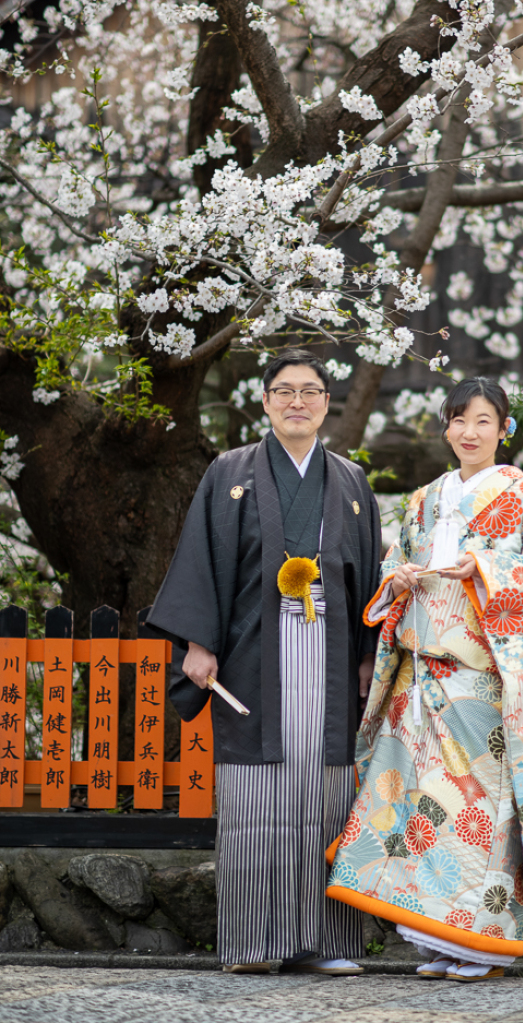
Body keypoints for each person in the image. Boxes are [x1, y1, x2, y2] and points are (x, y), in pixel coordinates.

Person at [327, 376, 523, 982]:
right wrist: (399, 580)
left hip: (481, 680)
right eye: (459, 420)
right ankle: (438, 941)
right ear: (445, 426)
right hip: (421, 676)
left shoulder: (522, 494)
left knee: (480, 811)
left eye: (483, 422)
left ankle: (483, 944)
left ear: (503, 430)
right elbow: (390, 568)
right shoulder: (421, 499)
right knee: (422, 809)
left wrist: (485, 568)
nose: (469, 433)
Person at [148, 349, 382, 975]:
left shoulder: (351, 482)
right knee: (257, 795)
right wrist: (199, 643)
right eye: (284, 391)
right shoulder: (230, 472)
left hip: (331, 656)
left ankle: (328, 943)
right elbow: (203, 560)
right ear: (265, 401)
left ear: (327, 403)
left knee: (327, 794)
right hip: (257, 654)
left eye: (310, 390)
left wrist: (366, 657)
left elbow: (368, 582)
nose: (297, 401)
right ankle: (256, 944)